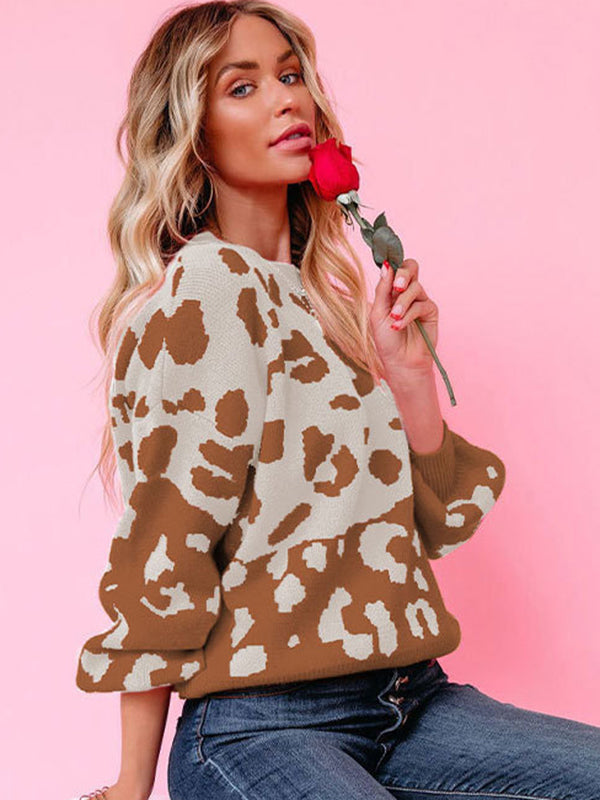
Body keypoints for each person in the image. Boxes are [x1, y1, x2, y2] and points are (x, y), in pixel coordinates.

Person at [74, 3, 600, 800]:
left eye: (290, 76)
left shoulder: (324, 305)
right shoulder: (207, 292)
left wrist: (410, 378)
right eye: (242, 87)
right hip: (262, 725)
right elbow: (165, 546)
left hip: (413, 702)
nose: (288, 98)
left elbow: (433, 528)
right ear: (193, 135)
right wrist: (129, 784)